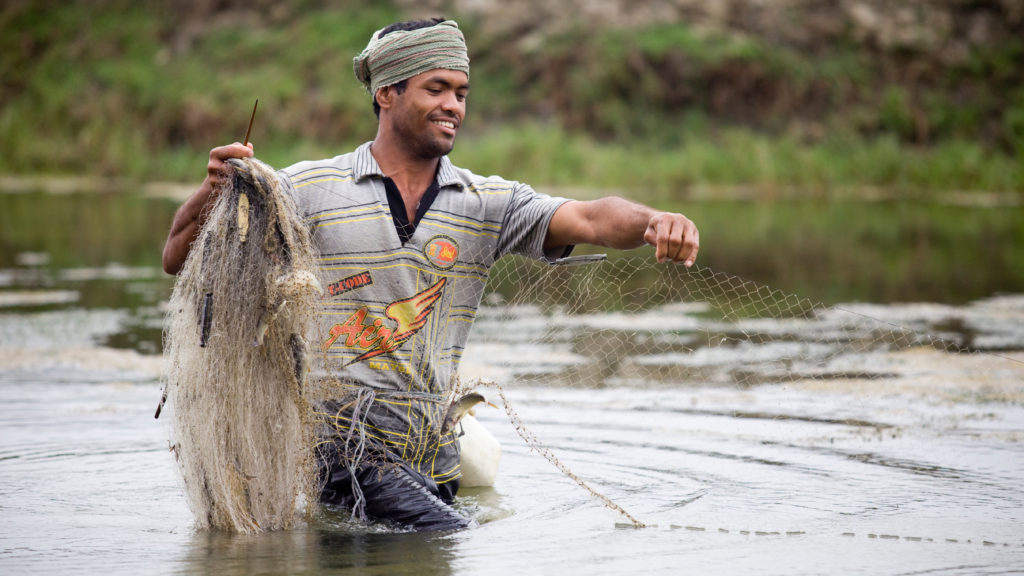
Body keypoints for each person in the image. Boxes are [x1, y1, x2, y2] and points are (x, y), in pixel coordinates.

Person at [162, 17, 699, 531]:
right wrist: (213, 192)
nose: (453, 106)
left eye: (461, 93)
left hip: (433, 460)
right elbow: (177, 258)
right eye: (436, 88)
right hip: (338, 451)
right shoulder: (307, 190)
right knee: (447, 534)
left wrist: (655, 221)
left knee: (428, 536)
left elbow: (591, 216)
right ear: (386, 93)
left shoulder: (487, 202)